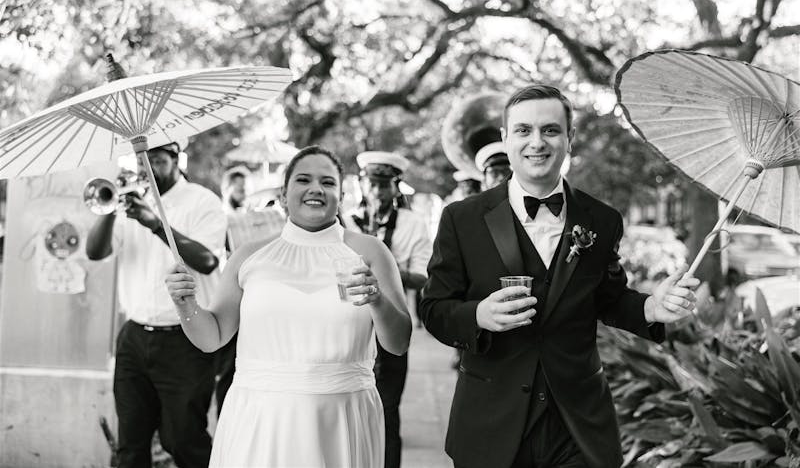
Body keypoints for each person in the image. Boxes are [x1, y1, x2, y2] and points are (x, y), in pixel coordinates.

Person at [419, 84, 699, 468]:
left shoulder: (602, 220)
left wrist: (652, 306)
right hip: (491, 423)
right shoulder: (461, 219)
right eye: (523, 130)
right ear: (506, 139)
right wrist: (478, 317)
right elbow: (434, 309)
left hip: (577, 424)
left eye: (550, 130)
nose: (537, 142)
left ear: (569, 139)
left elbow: (609, 299)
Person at [165, 145, 411, 468]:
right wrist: (186, 305)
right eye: (303, 180)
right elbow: (213, 336)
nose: (315, 189)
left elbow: (398, 342)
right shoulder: (248, 256)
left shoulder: (370, 252)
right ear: (283, 195)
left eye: (327, 182)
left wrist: (377, 300)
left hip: (340, 416)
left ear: (342, 195)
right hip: (261, 418)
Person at [86, 141, 227, 468]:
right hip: (134, 337)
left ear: (177, 160)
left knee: (183, 440)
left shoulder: (202, 201)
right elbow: (94, 252)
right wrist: (110, 209)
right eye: (142, 161)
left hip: (186, 340)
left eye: (158, 160)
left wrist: (154, 223)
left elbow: (207, 260)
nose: (148, 168)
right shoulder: (133, 203)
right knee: (130, 443)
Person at [344, 150, 432, 468]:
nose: (377, 192)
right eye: (372, 184)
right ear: (362, 185)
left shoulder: (412, 223)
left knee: (386, 413)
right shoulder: (344, 219)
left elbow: (422, 276)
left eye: (384, 185)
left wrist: (383, 263)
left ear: (396, 187)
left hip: (390, 325)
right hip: (346, 327)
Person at [215, 166, 286, 415]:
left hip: (257, 301)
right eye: (238, 188)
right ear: (227, 189)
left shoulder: (257, 216)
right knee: (228, 369)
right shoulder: (219, 217)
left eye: (246, 188)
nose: (243, 193)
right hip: (231, 298)